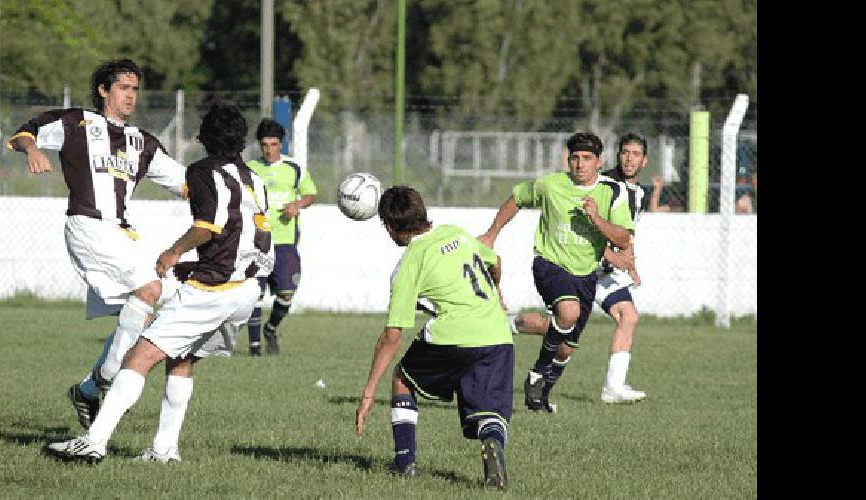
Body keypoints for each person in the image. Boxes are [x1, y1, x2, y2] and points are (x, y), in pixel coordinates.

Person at [44, 102, 274, 464]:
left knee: (139, 357)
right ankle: (164, 449)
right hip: (246, 289)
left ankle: (94, 441)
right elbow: (243, 233)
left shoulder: (202, 172)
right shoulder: (254, 179)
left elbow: (207, 227)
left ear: (202, 138)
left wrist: (172, 254)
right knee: (182, 360)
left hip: (213, 290)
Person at [6, 58, 186, 430]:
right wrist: (34, 150)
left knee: (159, 305)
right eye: (123, 88)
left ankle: (89, 389)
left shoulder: (142, 142)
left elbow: (186, 184)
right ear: (104, 90)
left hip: (121, 233)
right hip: (87, 225)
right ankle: (107, 378)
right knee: (151, 289)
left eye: (135, 89)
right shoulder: (76, 123)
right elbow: (26, 132)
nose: (130, 96)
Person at [355, 186, 514, 490]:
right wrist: (495, 291)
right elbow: (495, 261)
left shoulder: (409, 263)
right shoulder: (456, 232)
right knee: (489, 412)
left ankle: (404, 464)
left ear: (389, 228)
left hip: (452, 334)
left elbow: (392, 335)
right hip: (497, 332)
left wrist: (368, 392)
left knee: (403, 378)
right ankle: (493, 444)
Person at [478, 132, 634, 413]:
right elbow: (517, 198)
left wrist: (597, 219)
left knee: (566, 347)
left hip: (586, 273)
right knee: (568, 312)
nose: (580, 164)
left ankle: (539, 398)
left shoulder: (613, 192)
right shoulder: (551, 185)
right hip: (550, 263)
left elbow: (623, 239)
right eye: (574, 158)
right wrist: (491, 234)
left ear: (599, 162)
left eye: (587, 159)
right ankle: (537, 372)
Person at [244, 118, 317, 355]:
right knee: (254, 294)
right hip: (257, 242)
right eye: (264, 144)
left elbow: (309, 194)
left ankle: (271, 327)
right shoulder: (250, 168)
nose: (268, 149)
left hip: (285, 242)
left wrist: (297, 204)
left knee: (287, 292)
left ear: (281, 145)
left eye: (273, 144)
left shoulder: (294, 168)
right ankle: (255, 349)